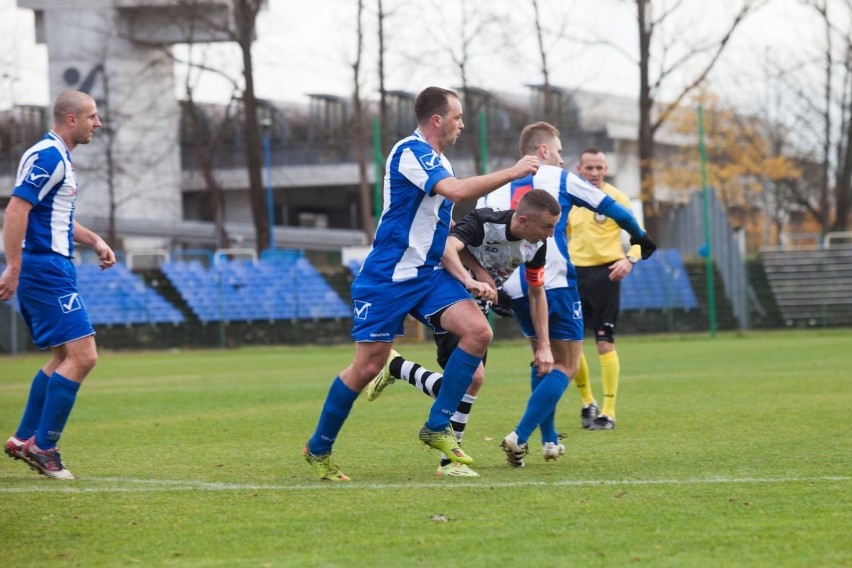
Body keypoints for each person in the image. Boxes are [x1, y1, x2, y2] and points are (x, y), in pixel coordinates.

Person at [302, 86, 540, 481]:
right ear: (436, 120)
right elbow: (459, 192)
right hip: (387, 278)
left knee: (478, 332)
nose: (462, 124)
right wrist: (514, 171)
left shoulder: (437, 162)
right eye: (458, 117)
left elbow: (441, 230)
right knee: (367, 366)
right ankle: (319, 447)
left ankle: (436, 424)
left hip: (427, 276)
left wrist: (467, 276)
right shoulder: (410, 152)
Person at [480, 122, 656, 468]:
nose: (561, 161)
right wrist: (640, 237)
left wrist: (495, 287)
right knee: (567, 363)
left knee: (542, 357)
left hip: (513, 284)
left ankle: (548, 440)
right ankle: (519, 436)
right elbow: (611, 207)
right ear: (543, 151)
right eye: (559, 152)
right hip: (552, 279)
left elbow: (483, 234)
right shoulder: (556, 178)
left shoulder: (496, 184)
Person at [364, 188, 561, 477]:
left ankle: (398, 367)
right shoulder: (485, 221)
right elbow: (447, 247)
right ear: (522, 220)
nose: (551, 235)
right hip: (448, 298)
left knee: (464, 383)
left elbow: (536, 292)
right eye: (547, 226)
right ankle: (450, 462)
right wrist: (477, 274)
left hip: (479, 310)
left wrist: (544, 345)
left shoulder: (536, 246)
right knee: (472, 378)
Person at [1, 90, 115, 480]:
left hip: (50, 266)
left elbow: (57, 219)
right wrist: (13, 267)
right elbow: (17, 208)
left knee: (62, 358)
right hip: (45, 269)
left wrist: (95, 240)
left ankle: (23, 438)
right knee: (84, 357)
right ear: (71, 120)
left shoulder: (57, 157)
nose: (97, 123)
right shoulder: (49, 155)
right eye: (92, 116)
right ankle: (44, 448)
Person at [568, 148, 643, 430]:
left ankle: (608, 412)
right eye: (590, 168)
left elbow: (640, 239)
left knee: (604, 342)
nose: (596, 173)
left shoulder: (617, 199)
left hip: (607, 275)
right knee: (571, 344)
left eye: (600, 168)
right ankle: (588, 403)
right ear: (579, 169)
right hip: (575, 276)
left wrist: (629, 260)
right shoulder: (571, 200)